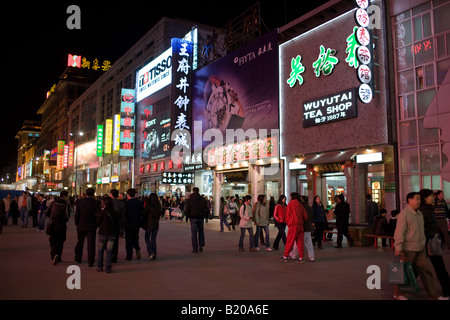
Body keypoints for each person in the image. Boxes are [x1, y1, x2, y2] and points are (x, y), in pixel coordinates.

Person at [393, 192, 448, 300]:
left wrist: (424, 243)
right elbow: (399, 232)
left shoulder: (419, 214)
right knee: (404, 272)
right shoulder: (404, 214)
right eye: (416, 199)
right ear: (410, 200)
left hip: (420, 248)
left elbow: (421, 231)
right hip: (408, 248)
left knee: (426, 272)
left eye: (419, 199)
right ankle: (398, 293)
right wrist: (398, 247)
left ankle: (434, 295)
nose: (419, 201)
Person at [419, 189, 450, 298]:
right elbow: (423, 228)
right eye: (431, 196)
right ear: (425, 198)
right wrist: (433, 234)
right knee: (439, 268)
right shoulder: (424, 211)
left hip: (429, 243)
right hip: (429, 243)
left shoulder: (427, 209)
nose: (433, 198)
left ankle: (401, 288)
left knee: (418, 267)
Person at [74, 188, 101, 266]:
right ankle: (90, 261)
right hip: (92, 225)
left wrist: (77, 223)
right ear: (93, 194)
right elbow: (98, 215)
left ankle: (78, 258)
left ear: (86, 193)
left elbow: (77, 214)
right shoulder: (96, 203)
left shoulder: (80, 202)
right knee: (91, 244)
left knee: (80, 242)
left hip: (81, 224)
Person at [281, 193, 308, 262]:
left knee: (290, 241)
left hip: (293, 225)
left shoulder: (290, 204)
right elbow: (305, 216)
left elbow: (287, 216)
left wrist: (289, 223)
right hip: (300, 225)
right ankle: (301, 257)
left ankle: (285, 256)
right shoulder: (300, 205)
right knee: (300, 242)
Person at [96, 197, 119, 273]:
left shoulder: (102, 212)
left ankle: (100, 266)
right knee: (109, 251)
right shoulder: (115, 213)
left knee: (100, 251)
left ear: (104, 204)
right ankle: (108, 268)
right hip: (111, 234)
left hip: (102, 233)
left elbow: (98, 222)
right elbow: (117, 224)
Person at [47, 190, 70, 265]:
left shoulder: (54, 203)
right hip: (61, 225)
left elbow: (47, 212)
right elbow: (67, 216)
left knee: (53, 240)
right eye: (67, 196)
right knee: (61, 241)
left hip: (53, 224)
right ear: (64, 196)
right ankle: (58, 256)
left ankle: (54, 255)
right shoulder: (65, 204)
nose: (68, 198)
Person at [184, 187, 208, 253]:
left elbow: (187, 209)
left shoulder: (190, 199)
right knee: (201, 231)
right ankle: (201, 245)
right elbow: (206, 208)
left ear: (193, 191)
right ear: (198, 191)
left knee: (194, 233)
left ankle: (195, 248)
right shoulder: (202, 199)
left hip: (193, 218)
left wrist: (188, 216)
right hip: (200, 218)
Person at [124, 188, 144, 260]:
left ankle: (129, 256)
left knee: (128, 240)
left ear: (128, 195)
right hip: (137, 223)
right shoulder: (139, 202)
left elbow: (125, 214)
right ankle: (137, 249)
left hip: (128, 224)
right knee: (135, 238)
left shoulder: (126, 203)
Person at [142, 193, 161, 260]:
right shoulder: (158, 205)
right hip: (156, 225)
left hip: (149, 225)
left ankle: (150, 252)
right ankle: (154, 254)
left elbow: (144, 214)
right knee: (153, 239)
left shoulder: (149, 205)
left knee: (147, 238)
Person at [110, 189, 125, 263]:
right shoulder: (121, 204)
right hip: (117, 224)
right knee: (116, 241)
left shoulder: (109, 202)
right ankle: (114, 257)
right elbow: (123, 216)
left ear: (111, 194)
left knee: (108, 241)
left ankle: (109, 256)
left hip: (109, 224)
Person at [301, 195, 315, 262]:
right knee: (309, 243)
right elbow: (312, 216)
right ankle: (311, 257)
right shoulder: (309, 208)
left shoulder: (301, 207)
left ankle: (293, 255)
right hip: (308, 227)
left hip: (303, 227)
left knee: (298, 243)